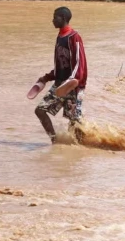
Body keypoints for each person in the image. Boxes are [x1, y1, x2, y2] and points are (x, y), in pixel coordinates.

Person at [34, 8, 88, 143]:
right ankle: (55, 141)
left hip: (72, 86)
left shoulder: (74, 37)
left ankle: (85, 148)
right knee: (40, 110)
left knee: (74, 123)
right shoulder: (60, 37)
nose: (52, 20)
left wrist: (73, 81)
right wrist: (46, 77)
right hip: (59, 85)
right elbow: (60, 65)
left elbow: (79, 62)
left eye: (55, 17)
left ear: (63, 18)